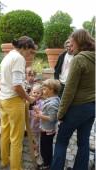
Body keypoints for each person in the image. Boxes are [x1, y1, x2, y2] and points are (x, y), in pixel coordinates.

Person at [50, 29, 95, 170]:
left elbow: (69, 90)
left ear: (79, 42)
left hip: (77, 107)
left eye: (72, 42)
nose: (71, 45)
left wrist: (60, 114)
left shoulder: (79, 59)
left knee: (61, 141)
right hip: (92, 108)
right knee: (83, 143)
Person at [0, 36, 37, 170]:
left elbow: (6, 81)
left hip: (3, 98)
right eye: (30, 51)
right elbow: (16, 86)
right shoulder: (19, 58)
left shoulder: (8, 56)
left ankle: (4, 160)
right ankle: (16, 168)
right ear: (25, 47)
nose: (29, 55)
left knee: (5, 131)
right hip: (14, 101)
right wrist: (29, 98)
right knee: (16, 138)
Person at [32, 79, 61, 169]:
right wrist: (40, 111)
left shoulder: (53, 103)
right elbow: (47, 113)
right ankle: (47, 161)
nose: (43, 91)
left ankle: (47, 163)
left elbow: (52, 118)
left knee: (45, 148)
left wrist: (40, 115)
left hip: (47, 130)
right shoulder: (52, 99)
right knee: (45, 146)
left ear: (51, 90)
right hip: (46, 128)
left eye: (44, 89)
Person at [28, 83, 43, 160]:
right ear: (31, 92)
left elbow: (41, 115)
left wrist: (37, 113)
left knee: (36, 139)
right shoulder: (29, 102)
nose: (36, 94)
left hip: (37, 126)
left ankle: (36, 150)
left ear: (41, 94)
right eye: (34, 92)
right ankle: (34, 148)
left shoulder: (41, 103)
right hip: (30, 125)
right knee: (32, 138)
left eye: (38, 93)